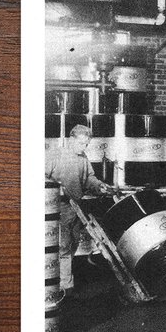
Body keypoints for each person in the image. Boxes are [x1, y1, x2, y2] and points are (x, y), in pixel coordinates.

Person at [44, 123, 115, 293]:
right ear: (71, 139)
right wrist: (55, 188)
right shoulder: (55, 154)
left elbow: (89, 178)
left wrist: (99, 186)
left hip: (75, 208)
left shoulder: (83, 158)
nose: (84, 147)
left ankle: (62, 284)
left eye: (86, 144)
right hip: (56, 209)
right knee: (63, 247)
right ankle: (64, 288)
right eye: (81, 143)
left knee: (73, 243)